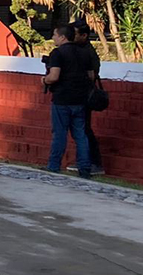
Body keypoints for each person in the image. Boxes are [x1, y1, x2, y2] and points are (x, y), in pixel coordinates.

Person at [43, 23, 94, 179]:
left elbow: (54, 76)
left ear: (62, 37)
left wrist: (44, 80)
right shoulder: (84, 53)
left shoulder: (58, 54)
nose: (53, 38)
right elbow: (91, 76)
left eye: (55, 35)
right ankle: (85, 168)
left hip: (62, 98)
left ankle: (54, 165)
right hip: (80, 99)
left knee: (60, 133)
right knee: (80, 134)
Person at [72, 23, 104, 175]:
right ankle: (84, 160)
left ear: (84, 35)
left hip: (84, 95)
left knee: (84, 129)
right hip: (78, 94)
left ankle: (94, 162)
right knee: (80, 129)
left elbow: (92, 75)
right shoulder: (77, 49)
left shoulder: (88, 52)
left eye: (75, 34)